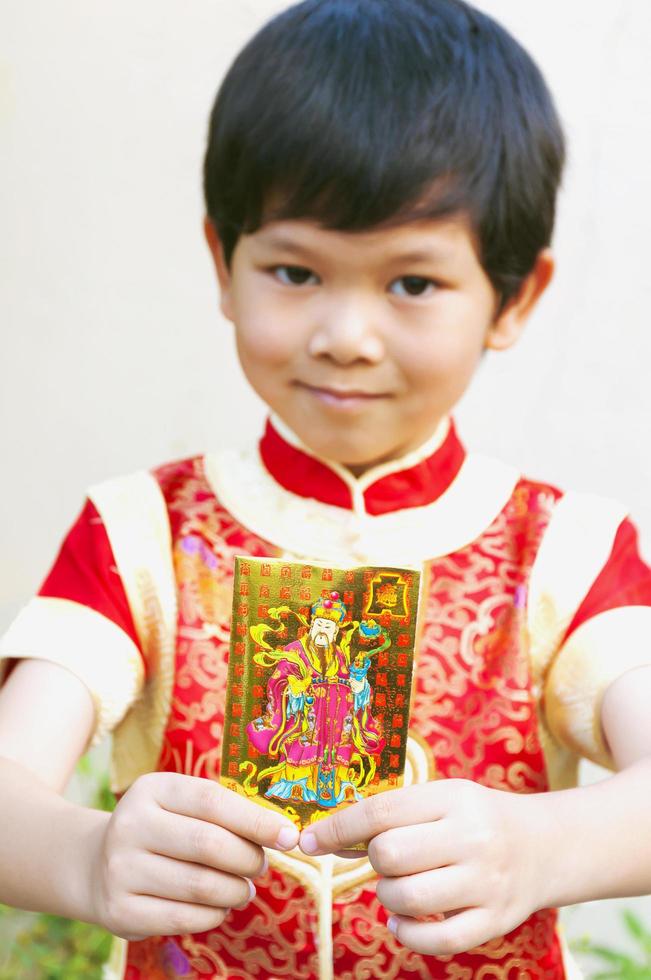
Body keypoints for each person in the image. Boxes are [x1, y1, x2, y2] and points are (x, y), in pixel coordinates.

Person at [1, 0, 651, 977]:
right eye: (297, 270)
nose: (346, 332)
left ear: (515, 296)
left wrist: (541, 847)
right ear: (225, 264)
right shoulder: (136, 532)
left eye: (412, 283)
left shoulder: (566, 547)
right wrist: (86, 855)